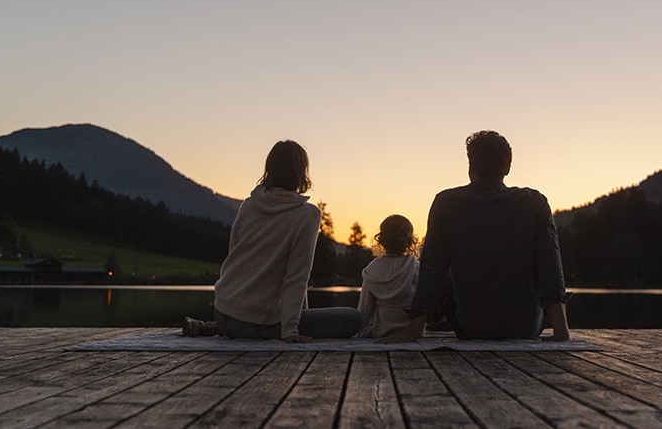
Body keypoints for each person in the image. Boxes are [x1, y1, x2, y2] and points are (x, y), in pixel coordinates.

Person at [379, 130, 571, 343]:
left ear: (470, 166)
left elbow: (432, 271)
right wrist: (561, 332)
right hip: (524, 328)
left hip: (470, 328)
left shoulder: (445, 203)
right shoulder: (534, 202)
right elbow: (550, 267)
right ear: (507, 167)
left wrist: (412, 332)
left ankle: (429, 326)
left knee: (441, 265)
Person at [183, 140, 361, 342]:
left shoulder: (249, 205)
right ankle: (247, 329)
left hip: (222, 310)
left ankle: (216, 327)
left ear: (270, 169)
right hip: (254, 321)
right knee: (353, 319)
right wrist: (291, 331)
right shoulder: (307, 215)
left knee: (250, 320)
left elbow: (234, 255)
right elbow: (297, 275)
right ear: (302, 171)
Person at [355, 214, 422, 338]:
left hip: (381, 332)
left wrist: (357, 335)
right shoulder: (417, 267)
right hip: (412, 332)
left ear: (381, 239)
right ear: (409, 240)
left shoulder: (373, 268)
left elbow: (365, 309)